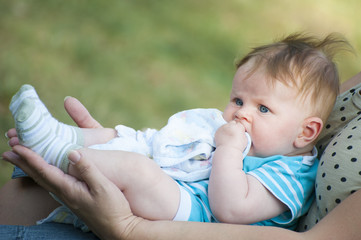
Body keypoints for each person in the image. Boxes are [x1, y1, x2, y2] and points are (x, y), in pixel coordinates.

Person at [5, 33, 345, 231]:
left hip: (192, 220)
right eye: (238, 99)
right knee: (128, 140)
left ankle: (57, 155)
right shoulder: (245, 136)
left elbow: (229, 209)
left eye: (263, 109)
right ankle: (59, 139)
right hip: (176, 187)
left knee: (139, 169)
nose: (241, 112)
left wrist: (227, 150)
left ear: (305, 132)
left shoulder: (293, 174)